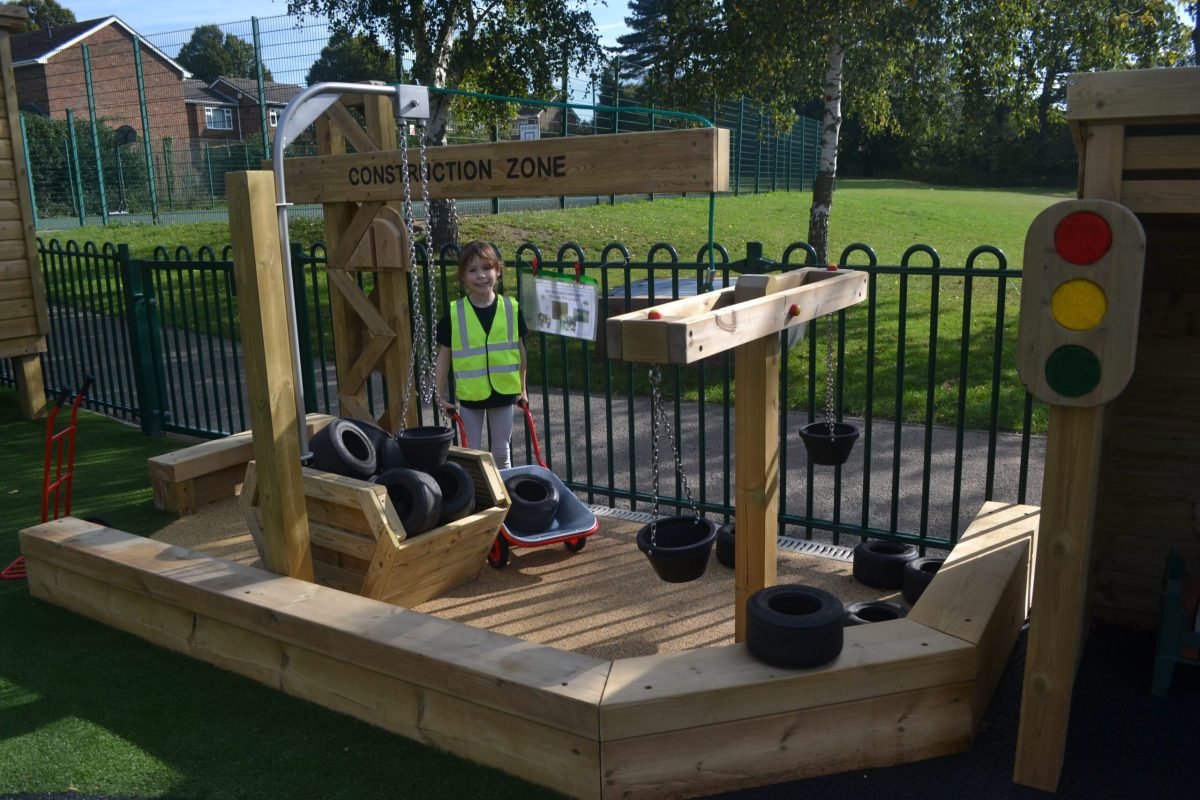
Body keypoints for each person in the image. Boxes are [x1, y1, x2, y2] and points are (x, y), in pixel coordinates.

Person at [435, 241, 529, 470]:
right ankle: (477, 500)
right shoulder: (455, 313)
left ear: (498, 270)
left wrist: (522, 388)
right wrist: (439, 394)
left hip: (504, 392)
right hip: (472, 396)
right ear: (463, 276)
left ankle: (506, 499)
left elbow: (520, 352)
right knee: (472, 452)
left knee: (501, 452)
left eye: (486, 268)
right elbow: (444, 356)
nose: (481, 275)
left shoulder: (511, 308)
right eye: (472, 270)